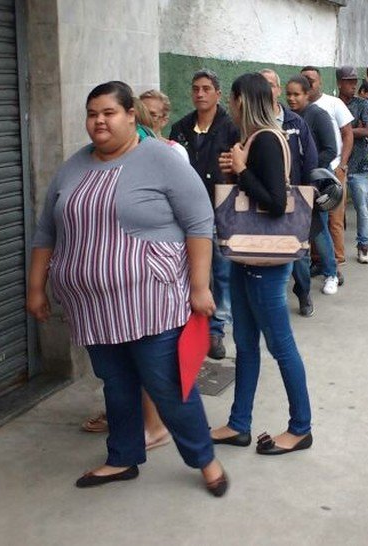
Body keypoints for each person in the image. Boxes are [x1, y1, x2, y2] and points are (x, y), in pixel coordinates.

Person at [27, 80, 228, 496]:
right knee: (117, 387)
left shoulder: (161, 158)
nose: (99, 121)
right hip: (94, 308)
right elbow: (46, 229)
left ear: (131, 115)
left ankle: (204, 459)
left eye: (109, 112)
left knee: (168, 386)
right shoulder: (74, 165)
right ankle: (122, 457)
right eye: (92, 113)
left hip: (151, 301)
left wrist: (200, 286)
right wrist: (36, 286)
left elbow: (199, 223)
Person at [209, 73, 313, 456]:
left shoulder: (269, 139)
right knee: (245, 344)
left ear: (240, 100)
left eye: (232, 99)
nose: (230, 107)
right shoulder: (252, 140)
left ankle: (301, 428)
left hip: (264, 261)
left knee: (281, 345)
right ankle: (239, 423)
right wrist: (235, 168)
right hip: (244, 255)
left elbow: (273, 201)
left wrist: (241, 171)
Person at [169, 70, 240, 361]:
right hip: (186, 211)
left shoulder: (232, 127)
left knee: (222, 273)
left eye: (206, 88)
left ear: (217, 94)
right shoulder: (181, 128)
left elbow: (243, 163)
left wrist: (236, 166)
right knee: (190, 272)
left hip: (220, 208)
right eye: (196, 88)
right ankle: (191, 326)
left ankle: (217, 329)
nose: (200, 93)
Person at [258, 69, 320, 315]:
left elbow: (310, 161)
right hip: (263, 199)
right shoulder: (251, 123)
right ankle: (269, 301)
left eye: (271, 85)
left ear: (278, 89)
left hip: (295, 197)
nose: (266, 90)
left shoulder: (295, 122)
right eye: (261, 85)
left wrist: (308, 195)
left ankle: (303, 292)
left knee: (300, 254)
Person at [285, 74, 339, 314]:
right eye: (289, 94)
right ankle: (308, 282)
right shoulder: (285, 119)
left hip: (314, 185)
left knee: (318, 231)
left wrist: (313, 169)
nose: (292, 98)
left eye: (297, 94)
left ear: (308, 94)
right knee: (303, 242)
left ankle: (332, 272)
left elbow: (330, 149)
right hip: (292, 187)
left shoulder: (317, 115)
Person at [301, 66, 354, 276]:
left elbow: (347, 134)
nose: (308, 83)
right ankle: (319, 261)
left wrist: (342, 165)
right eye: (304, 79)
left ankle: (336, 262)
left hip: (332, 170)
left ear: (320, 82)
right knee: (315, 222)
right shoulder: (298, 108)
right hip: (311, 174)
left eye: (312, 80)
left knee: (334, 220)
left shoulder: (333, 103)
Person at [344, 81, 368, 263]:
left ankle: (363, 246)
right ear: (340, 81)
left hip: (359, 164)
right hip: (338, 163)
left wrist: (343, 130)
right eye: (349, 80)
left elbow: (367, 130)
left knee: (362, 208)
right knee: (333, 212)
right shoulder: (334, 103)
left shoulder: (362, 104)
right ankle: (334, 251)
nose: (353, 84)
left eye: (355, 81)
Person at [139, 89, 189, 162]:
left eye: (152, 115)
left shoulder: (175, 151)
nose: (145, 118)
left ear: (164, 121)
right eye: (141, 113)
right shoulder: (126, 149)